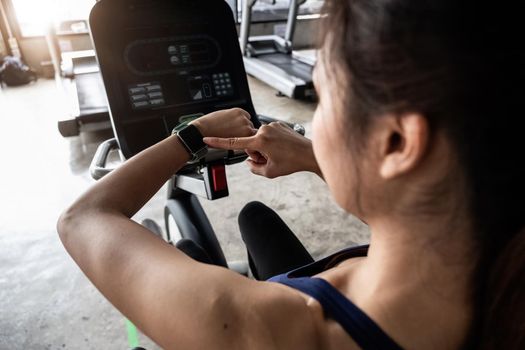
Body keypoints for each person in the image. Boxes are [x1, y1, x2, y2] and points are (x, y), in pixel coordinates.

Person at [57, 0, 525, 349]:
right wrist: (309, 155)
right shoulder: (503, 271)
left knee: (188, 249)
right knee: (255, 220)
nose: (315, 123)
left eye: (325, 99)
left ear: (397, 144)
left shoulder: (267, 329)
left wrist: (191, 137)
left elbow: (83, 218)